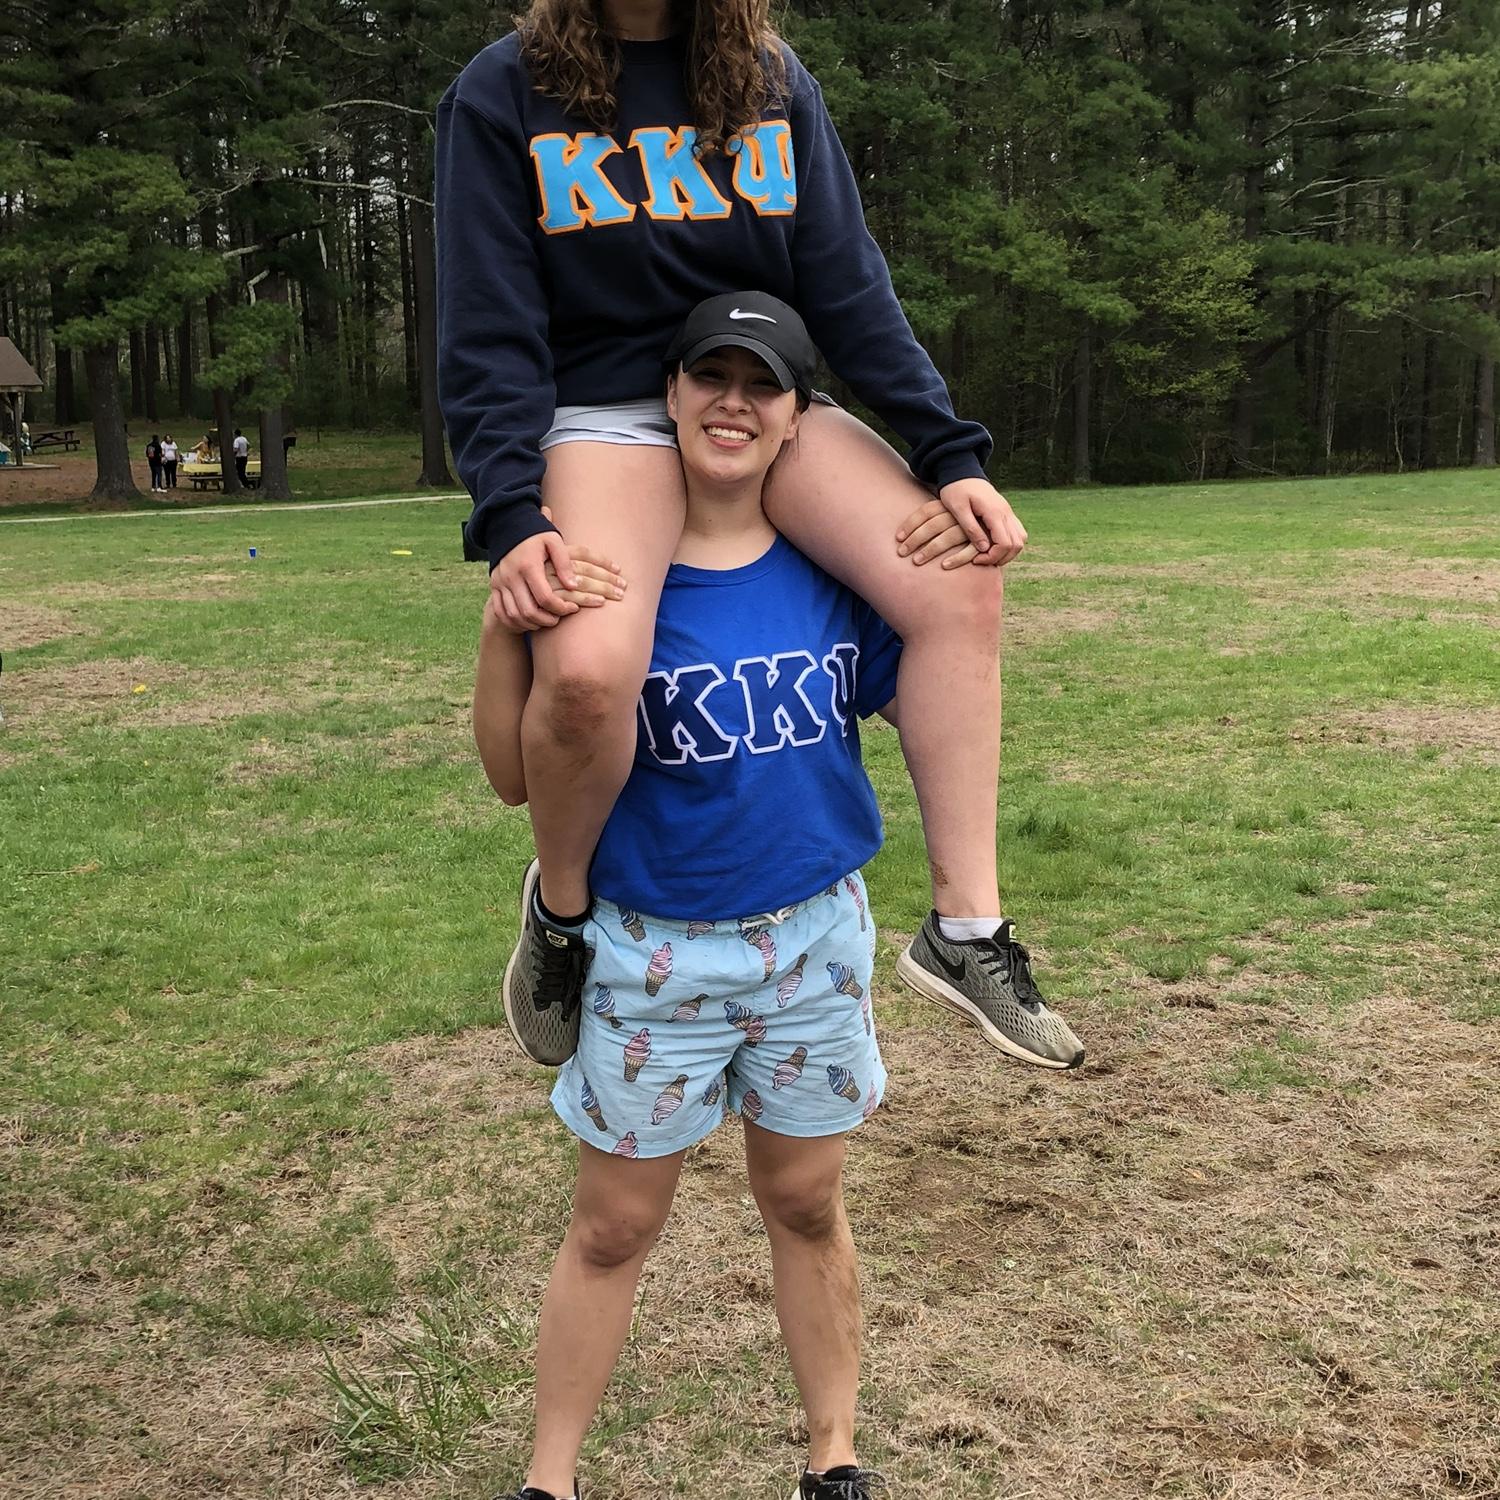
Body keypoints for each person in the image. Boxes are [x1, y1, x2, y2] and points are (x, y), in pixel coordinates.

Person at [437, 0, 1085, 1070]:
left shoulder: (768, 78)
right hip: (605, 414)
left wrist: (949, 453)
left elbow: (845, 281)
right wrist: (511, 508)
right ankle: (561, 918)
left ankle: (965, 929)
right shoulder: (505, 88)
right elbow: (486, 316)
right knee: (589, 671)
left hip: (756, 390)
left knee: (960, 577)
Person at [474, 296, 895, 1500]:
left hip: (811, 944)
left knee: (805, 1203)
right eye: (709, 376)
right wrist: (504, 628)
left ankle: (834, 1457)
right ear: (667, 396)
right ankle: (549, 1480)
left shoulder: (833, 571)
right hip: (651, 951)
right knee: (613, 1226)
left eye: (763, 385)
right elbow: (513, 772)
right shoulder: (607, 576)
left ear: (799, 418)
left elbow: (924, 680)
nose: (733, 403)